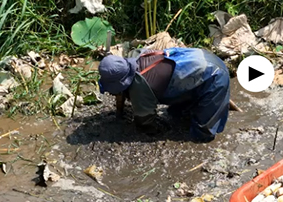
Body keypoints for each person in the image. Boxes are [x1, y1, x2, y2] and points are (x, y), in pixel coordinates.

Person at [98, 47, 230, 142]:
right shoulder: (135, 54)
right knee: (176, 114)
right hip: (197, 57)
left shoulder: (140, 86)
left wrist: (151, 131)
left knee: (202, 133)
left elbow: (145, 121)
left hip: (214, 75)